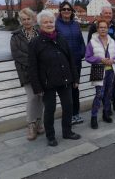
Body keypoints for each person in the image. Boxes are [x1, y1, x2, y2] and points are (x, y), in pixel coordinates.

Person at [29, 10, 80, 147]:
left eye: (51, 21)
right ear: (40, 25)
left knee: (68, 106)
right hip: (47, 83)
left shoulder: (61, 38)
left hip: (65, 80)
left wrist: (75, 79)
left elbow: (70, 60)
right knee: (50, 110)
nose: (49, 24)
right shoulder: (35, 43)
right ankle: (50, 136)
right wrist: (37, 87)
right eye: (45, 22)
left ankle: (67, 131)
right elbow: (32, 67)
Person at [10, 8, 44, 141]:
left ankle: (39, 122)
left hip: (42, 71)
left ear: (33, 19)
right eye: (23, 19)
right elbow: (17, 54)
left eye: (28, 18)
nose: (26, 21)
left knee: (41, 97)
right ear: (21, 21)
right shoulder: (16, 36)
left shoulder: (40, 33)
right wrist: (34, 63)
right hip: (26, 72)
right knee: (32, 97)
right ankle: (31, 124)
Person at [87, 6, 115, 113]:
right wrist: (99, 59)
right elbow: (90, 45)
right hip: (100, 64)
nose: (108, 15)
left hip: (114, 61)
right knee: (102, 90)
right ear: (101, 14)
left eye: (110, 13)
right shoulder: (93, 27)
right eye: (106, 13)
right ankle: (106, 109)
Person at [85, 19, 115, 129]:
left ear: (108, 29)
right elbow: (88, 57)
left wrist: (114, 60)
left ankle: (106, 114)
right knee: (99, 94)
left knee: (108, 93)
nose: (103, 29)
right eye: (100, 27)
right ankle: (93, 117)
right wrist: (100, 60)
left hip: (111, 71)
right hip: (99, 71)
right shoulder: (92, 42)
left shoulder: (112, 41)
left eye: (105, 27)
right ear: (97, 29)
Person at [55, 1, 86, 125]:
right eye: (64, 9)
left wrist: (82, 53)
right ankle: (68, 115)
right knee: (66, 90)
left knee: (75, 88)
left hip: (77, 62)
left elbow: (81, 41)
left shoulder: (76, 25)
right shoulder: (56, 25)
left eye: (69, 9)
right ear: (60, 11)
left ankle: (76, 114)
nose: (66, 11)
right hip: (64, 64)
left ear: (72, 11)